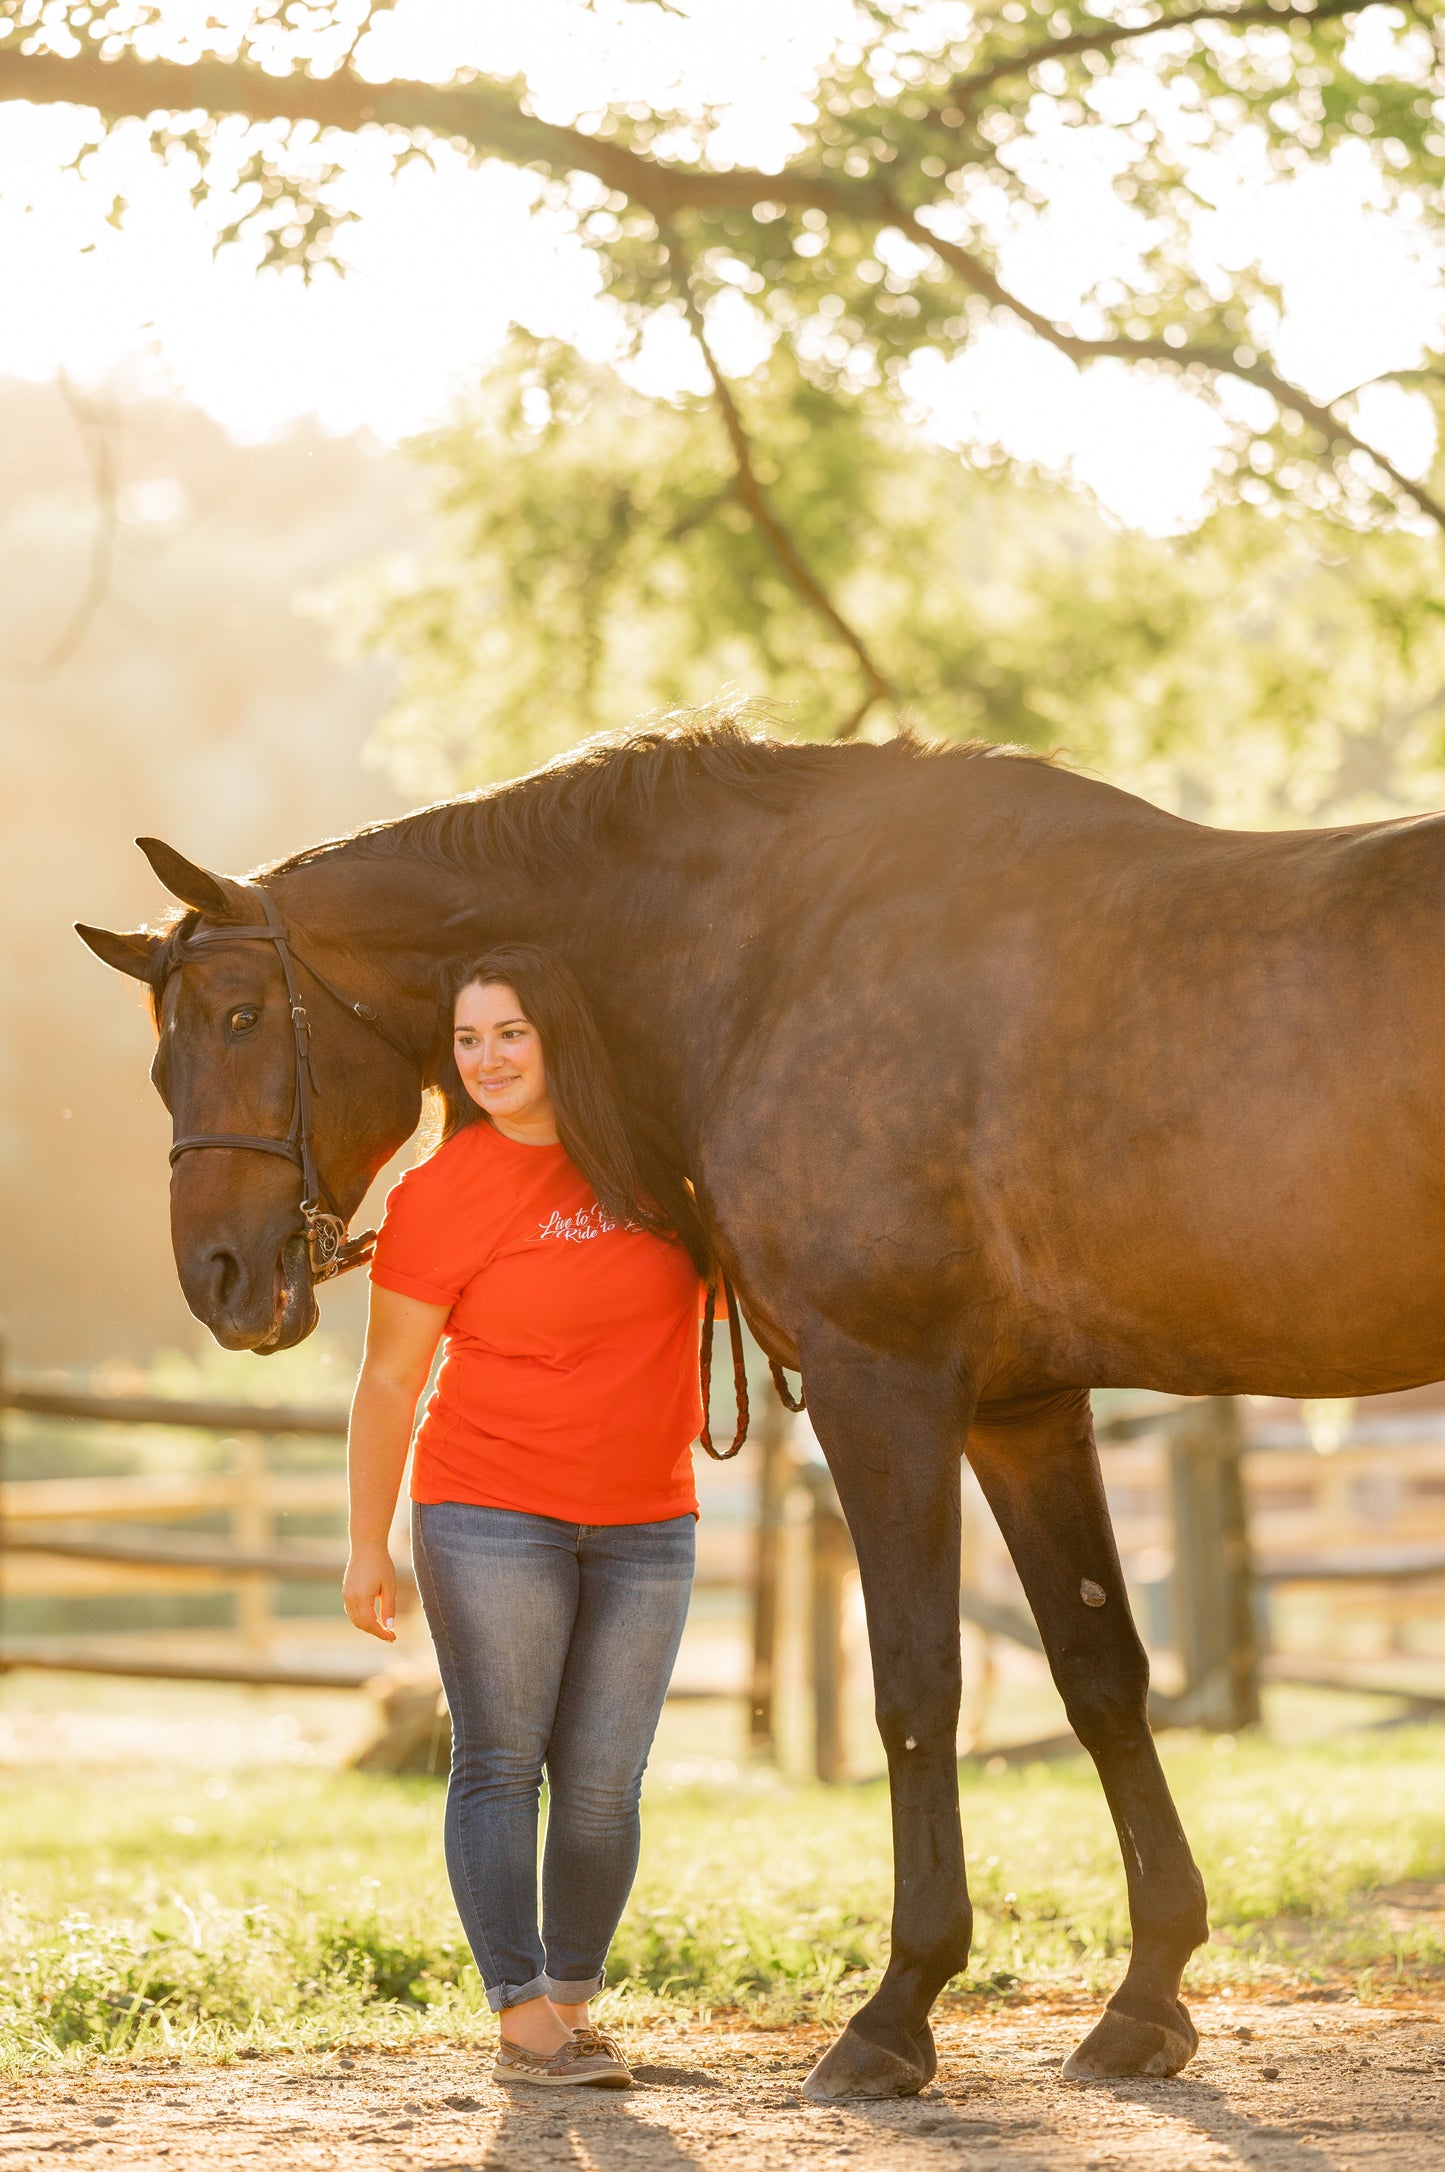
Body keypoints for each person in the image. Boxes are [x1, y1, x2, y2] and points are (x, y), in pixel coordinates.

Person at [342, 944, 708, 2090]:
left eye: (510, 1033)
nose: (488, 1058)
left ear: (558, 1037)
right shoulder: (440, 1191)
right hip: (490, 1510)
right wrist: (368, 1543)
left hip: (650, 1516)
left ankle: (569, 2000)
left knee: (605, 1782)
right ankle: (518, 2019)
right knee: (502, 1762)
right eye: (467, 1039)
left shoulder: (657, 1165)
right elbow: (390, 1379)